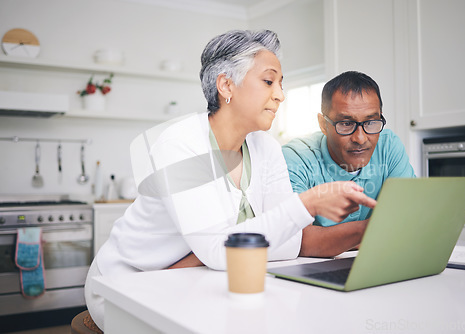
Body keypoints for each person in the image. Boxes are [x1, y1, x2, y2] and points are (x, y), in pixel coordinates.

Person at [84, 31, 376, 330]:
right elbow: (217, 251)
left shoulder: (266, 147)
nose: (280, 94)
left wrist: (209, 253)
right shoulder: (180, 144)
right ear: (226, 85)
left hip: (195, 279)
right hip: (127, 285)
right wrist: (308, 203)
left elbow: (289, 243)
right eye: (268, 81)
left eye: (280, 83)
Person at [282, 71, 415, 254]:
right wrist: (374, 231)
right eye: (346, 124)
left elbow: (409, 219)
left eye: (370, 122)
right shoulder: (296, 157)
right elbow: (296, 240)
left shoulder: (389, 145)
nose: (360, 138)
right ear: (323, 124)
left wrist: (331, 238)